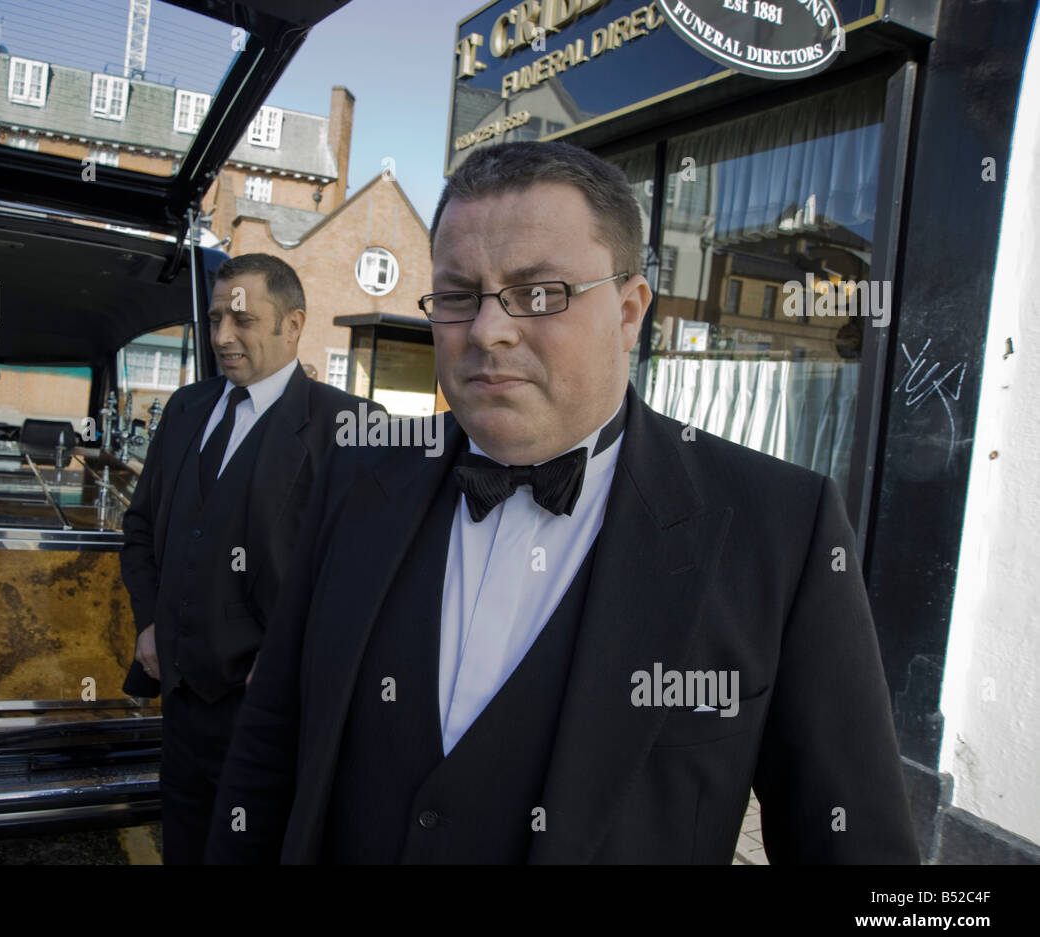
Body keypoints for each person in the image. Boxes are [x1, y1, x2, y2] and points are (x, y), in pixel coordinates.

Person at [204, 142, 921, 864]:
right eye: (458, 295)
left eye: (539, 293)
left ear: (630, 311)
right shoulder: (356, 478)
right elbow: (270, 743)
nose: (488, 330)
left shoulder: (782, 531)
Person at [119, 252, 378, 864]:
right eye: (214, 321)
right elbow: (139, 527)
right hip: (182, 701)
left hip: (270, 718)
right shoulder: (184, 409)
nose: (223, 337)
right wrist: (149, 621)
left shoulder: (351, 426)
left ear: (293, 325)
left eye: (243, 321)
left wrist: (295, 658)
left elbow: (364, 577)